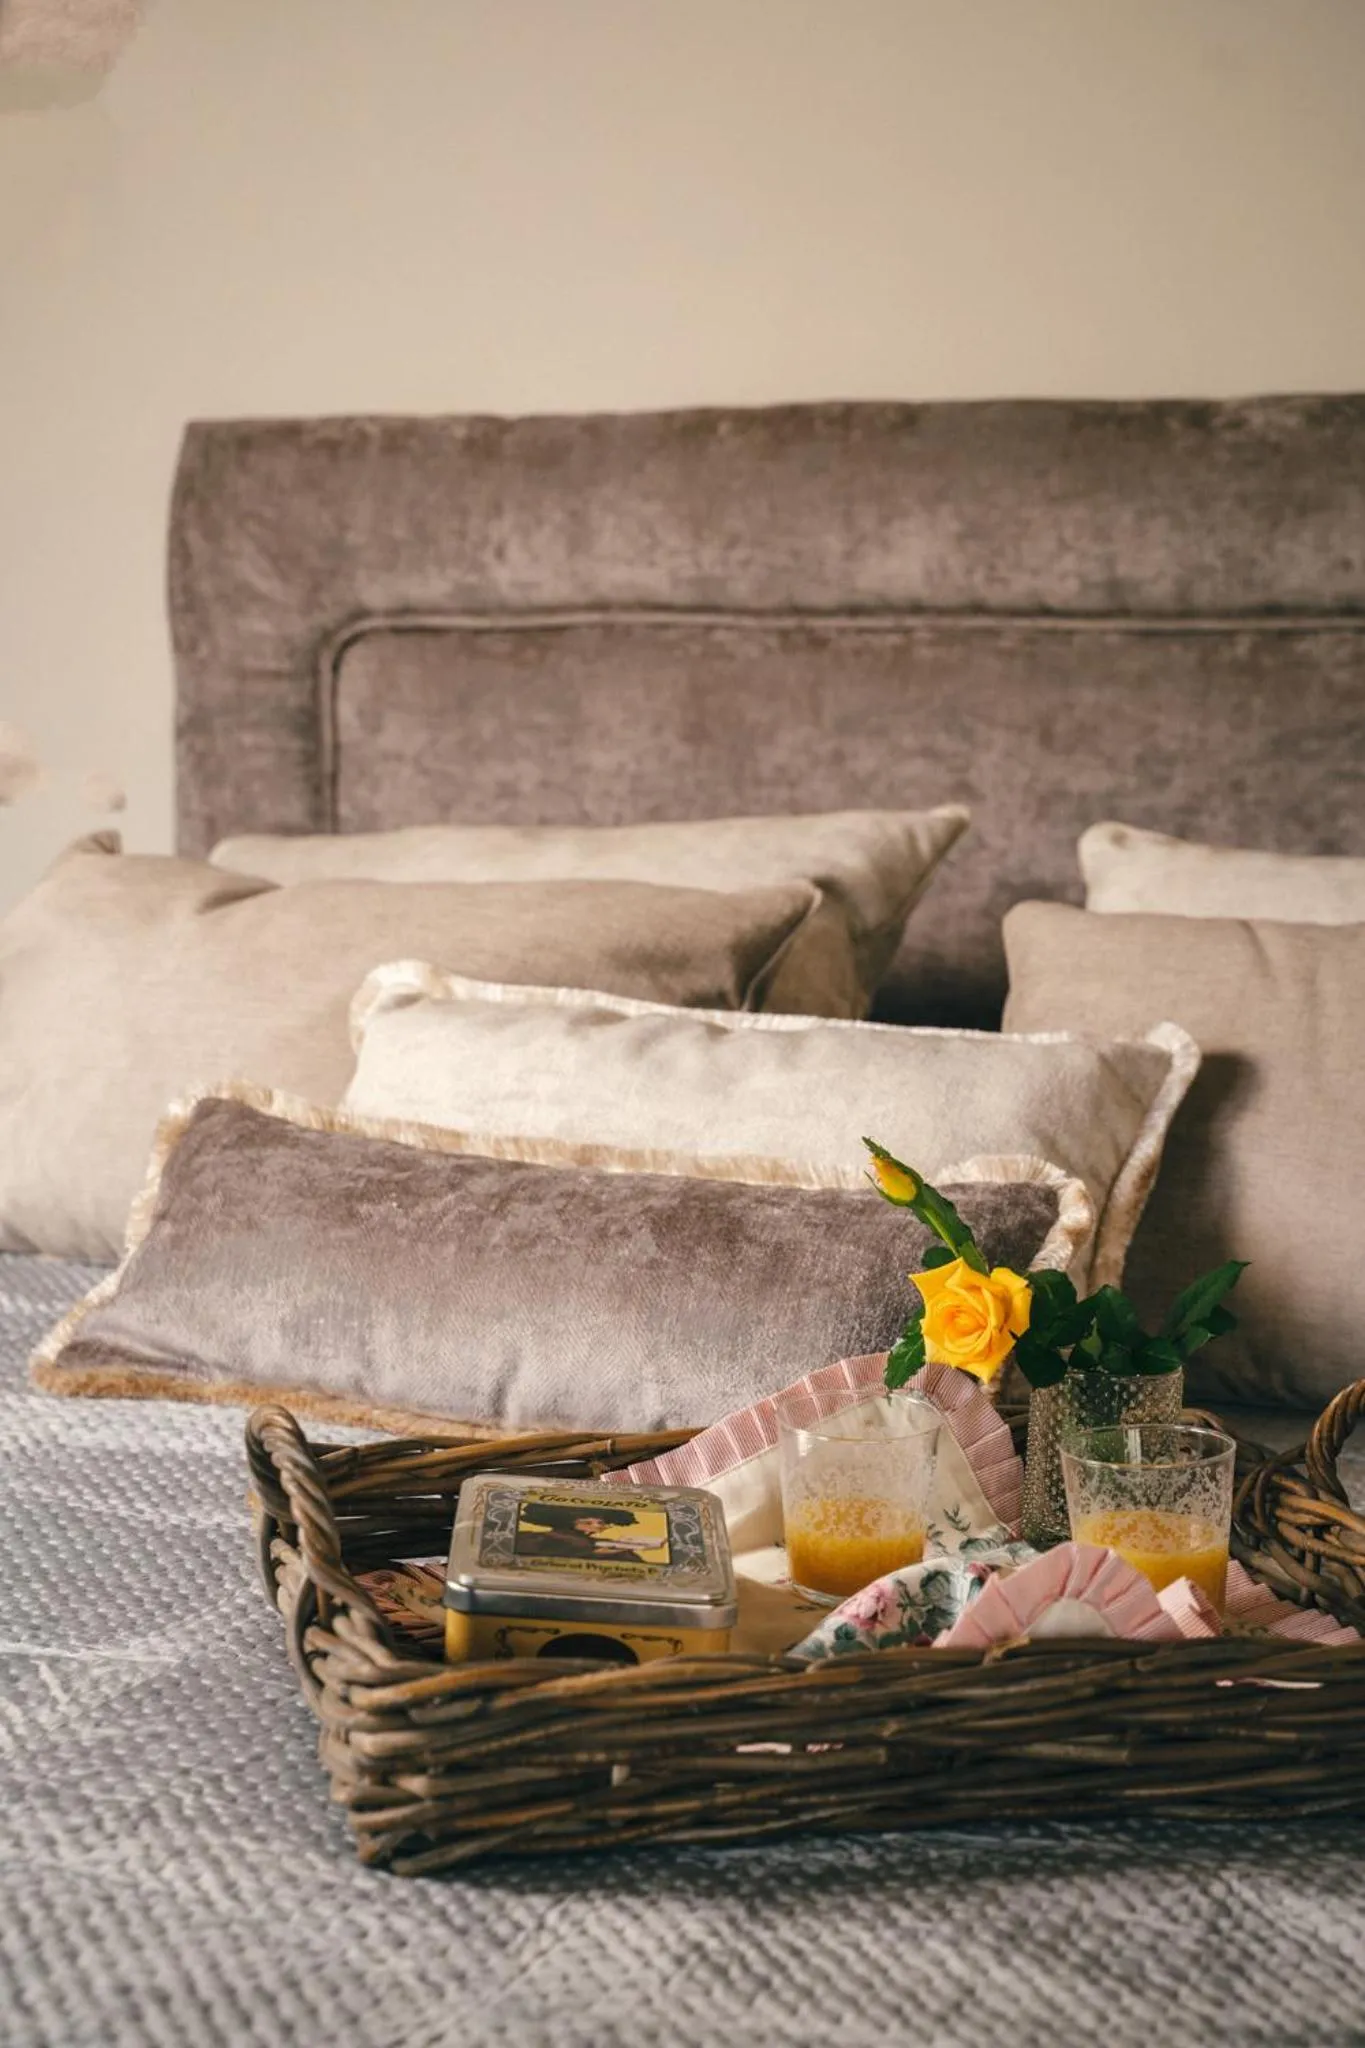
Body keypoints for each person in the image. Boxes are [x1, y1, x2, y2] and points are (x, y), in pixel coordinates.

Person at [516, 1502, 668, 1566]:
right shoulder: (539, 1538)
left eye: (601, 1522)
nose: (598, 1525)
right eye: (587, 1522)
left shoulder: (602, 1541)